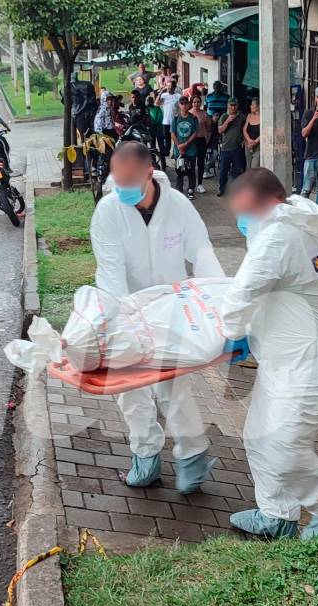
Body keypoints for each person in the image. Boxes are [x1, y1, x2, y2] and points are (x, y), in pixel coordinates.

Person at [220, 168, 318, 539]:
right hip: (286, 358)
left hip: (310, 363)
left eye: (243, 210)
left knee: (284, 447)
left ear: (262, 203)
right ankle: (276, 515)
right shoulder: (311, 227)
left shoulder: (278, 235)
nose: (240, 219)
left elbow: (242, 291)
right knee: (259, 434)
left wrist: (231, 333)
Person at [89, 142, 225, 490]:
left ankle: (191, 457)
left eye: (130, 182)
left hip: (171, 309)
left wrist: (222, 307)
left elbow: (202, 253)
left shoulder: (177, 205)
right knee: (131, 389)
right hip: (125, 309)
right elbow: (110, 272)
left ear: (149, 173)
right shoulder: (108, 211)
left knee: (173, 386)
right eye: (118, 182)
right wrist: (123, 325)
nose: (123, 189)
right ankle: (146, 456)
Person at [216, 97, 246, 197]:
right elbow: (220, 130)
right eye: (231, 105)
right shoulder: (224, 116)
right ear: (228, 106)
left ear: (237, 106)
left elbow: (245, 129)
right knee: (223, 171)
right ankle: (222, 189)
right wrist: (228, 121)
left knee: (237, 172)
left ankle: (236, 191)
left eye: (235, 105)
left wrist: (244, 140)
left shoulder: (242, 117)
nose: (233, 107)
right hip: (225, 148)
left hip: (237, 148)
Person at [171, 96, 199, 199]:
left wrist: (186, 144)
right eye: (181, 103)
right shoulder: (175, 118)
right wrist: (179, 146)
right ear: (179, 105)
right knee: (179, 171)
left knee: (191, 170)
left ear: (188, 104)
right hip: (178, 150)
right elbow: (173, 133)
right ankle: (179, 191)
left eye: (185, 103)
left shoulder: (193, 118)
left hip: (190, 150)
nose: (183, 105)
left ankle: (191, 190)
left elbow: (195, 133)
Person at [157, 81, 181, 167]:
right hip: (165, 121)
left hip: (175, 121)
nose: (169, 88)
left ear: (174, 87)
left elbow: (181, 107)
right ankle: (166, 155)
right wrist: (160, 93)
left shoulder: (178, 96)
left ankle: (175, 154)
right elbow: (157, 103)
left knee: (176, 138)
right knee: (167, 139)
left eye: (171, 87)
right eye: (168, 86)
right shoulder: (164, 95)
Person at [191, 94, 211, 193]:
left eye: (198, 102)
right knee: (191, 163)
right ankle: (191, 185)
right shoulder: (189, 113)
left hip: (201, 140)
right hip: (191, 141)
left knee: (200, 163)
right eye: (194, 102)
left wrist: (207, 138)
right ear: (192, 103)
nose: (196, 104)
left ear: (201, 103)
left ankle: (199, 184)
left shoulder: (204, 114)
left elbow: (209, 128)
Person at [146, 95, 165, 169]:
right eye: (147, 100)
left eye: (149, 100)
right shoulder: (146, 109)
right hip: (151, 131)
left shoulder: (157, 108)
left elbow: (160, 118)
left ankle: (163, 163)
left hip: (158, 130)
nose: (148, 102)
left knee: (161, 147)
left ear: (152, 101)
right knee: (152, 148)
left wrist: (151, 122)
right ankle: (153, 164)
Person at [243, 98, 261, 169]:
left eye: (252, 105)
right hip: (248, 146)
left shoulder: (263, 117)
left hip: (258, 147)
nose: (250, 106)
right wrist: (249, 140)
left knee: (254, 168)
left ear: (258, 106)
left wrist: (255, 142)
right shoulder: (249, 116)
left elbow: (264, 132)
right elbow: (244, 130)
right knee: (248, 167)